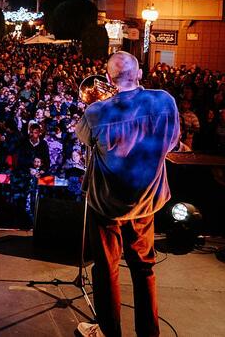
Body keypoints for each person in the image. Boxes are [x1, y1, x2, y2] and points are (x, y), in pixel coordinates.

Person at [75, 52, 180, 337]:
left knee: (106, 268)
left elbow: (84, 138)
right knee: (144, 268)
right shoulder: (164, 101)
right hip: (146, 201)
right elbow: (172, 142)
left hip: (106, 204)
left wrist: (99, 105)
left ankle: (108, 332)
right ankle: (149, 333)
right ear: (139, 74)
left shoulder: (97, 112)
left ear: (109, 80)